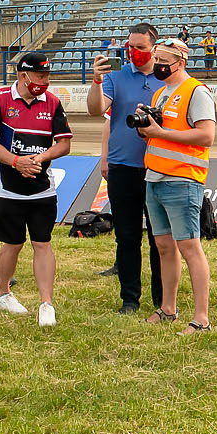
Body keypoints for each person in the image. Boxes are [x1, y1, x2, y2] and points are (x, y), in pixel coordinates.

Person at [0, 52, 73, 325]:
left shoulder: (54, 102)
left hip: (43, 189)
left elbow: (64, 144)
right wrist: (15, 162)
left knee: (42, 243)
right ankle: (3, 293)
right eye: (40, 76)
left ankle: (47, 303)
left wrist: (41, 158)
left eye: (47, 76)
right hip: (7, 190)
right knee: (12, 244)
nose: (45, 81)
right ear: (23, 76)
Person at [136, 37, 217, 331]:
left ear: (179, 62)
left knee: (189, 246)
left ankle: (201, 318)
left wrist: (160, 132)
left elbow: (206, 136)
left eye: (163, 61)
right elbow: (156, 135)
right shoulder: (161, 93)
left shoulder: (196, 91)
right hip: (155, 177)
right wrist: (147, 131)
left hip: (182, 178)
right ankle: (168, 308)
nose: (157, 65)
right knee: (164, 247)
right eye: (156, 59)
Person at [86, 23, 166, 314]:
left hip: (158, 168)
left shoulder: (167, 78)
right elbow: (96, 111)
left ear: (154, 49)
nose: (134, 53)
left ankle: (163, 300)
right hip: (123, 168)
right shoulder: (116, 76)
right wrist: (96, 81)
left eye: (140, 48)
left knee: (160, 240)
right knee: (128, 237)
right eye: (130, 47)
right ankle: (130, 299)